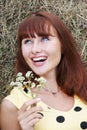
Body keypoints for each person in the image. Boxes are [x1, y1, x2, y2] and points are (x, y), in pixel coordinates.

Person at [1, 10, 87, 130]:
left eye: (45, 38)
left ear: (62, 44)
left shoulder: (83, 85)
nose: (35, 49)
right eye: (27, 41)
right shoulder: (12, 105)